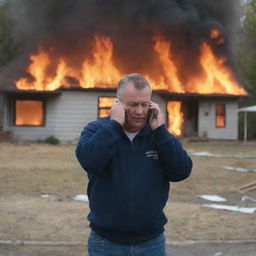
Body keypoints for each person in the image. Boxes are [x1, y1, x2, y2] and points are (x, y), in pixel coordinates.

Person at [76, 73, 193, 256]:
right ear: (118, 104)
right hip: (106, 243)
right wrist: (114, 125)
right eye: (132, 105)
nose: (140, 111)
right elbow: (91, 162)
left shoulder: (159, 136)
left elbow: (182, 171)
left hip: (151, 242)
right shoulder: (97, 130)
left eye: (144, 104)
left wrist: (161, 133)